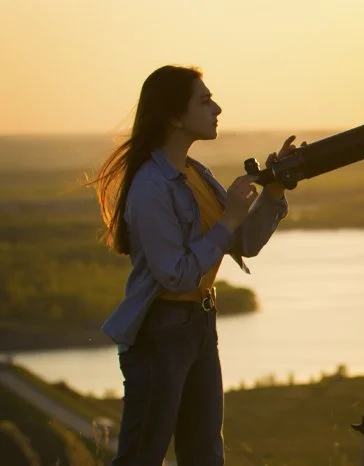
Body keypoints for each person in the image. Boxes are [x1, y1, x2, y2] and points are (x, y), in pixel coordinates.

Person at [89, 65, 296, 466]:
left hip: (199, 323)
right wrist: (228, 219)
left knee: (204, 456)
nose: (217, 108)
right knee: (141, 457)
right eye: (205, 100)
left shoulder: (194, 173)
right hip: (161, 332)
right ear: (173, 116)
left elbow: (245, 242)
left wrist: (273, 191)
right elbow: (178, 273)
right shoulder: (151, 187)